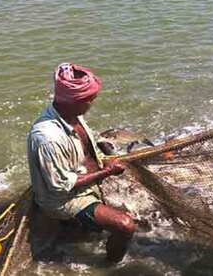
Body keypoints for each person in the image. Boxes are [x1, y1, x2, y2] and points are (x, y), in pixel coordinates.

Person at [27, 63, 135, 262]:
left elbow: (87, 147)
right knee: (125, 225)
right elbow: (60, 186)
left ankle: (82, 227)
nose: (93, 103)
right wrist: (107, 172)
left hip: (85, 181)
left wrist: (107, 156)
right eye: (90, 99)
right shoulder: (48, 138)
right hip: (64, 199)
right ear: (75, 101)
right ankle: (110, 265)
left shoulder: (73, 114)